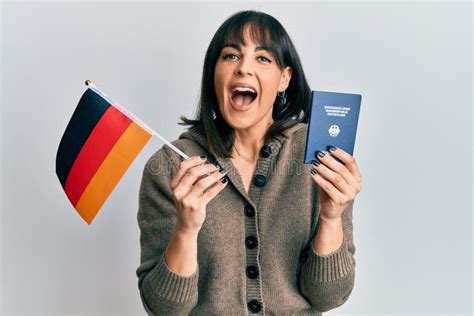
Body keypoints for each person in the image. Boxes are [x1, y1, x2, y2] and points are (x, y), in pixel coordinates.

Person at [136, 10, 362, 315]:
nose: (243, 68)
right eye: (230, 56)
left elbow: (329, 296)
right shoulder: (169, 165)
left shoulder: (318, 154)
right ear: (213, 74)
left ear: (285, 79)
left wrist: (332, 217)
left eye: (263, 58)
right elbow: (163, 309)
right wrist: (186, 230)